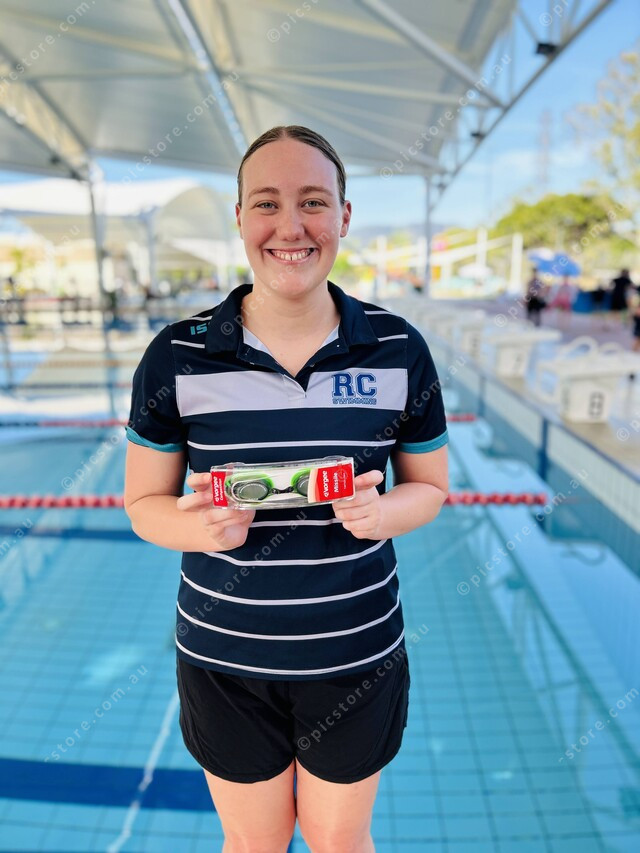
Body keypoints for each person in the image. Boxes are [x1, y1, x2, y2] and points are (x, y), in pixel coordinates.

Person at [123, 125, 449, 852]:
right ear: (241, 218)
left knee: (340, 842)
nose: (291, 226)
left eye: (313, 201)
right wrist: (199, 527)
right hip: (224, 661)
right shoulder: (177, 354)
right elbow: (143, 506)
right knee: (254, 845)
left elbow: (429, 487)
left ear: (344, 215)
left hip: (356, 654)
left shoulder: (399, 347)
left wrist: (381, 513)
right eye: (267, 203)